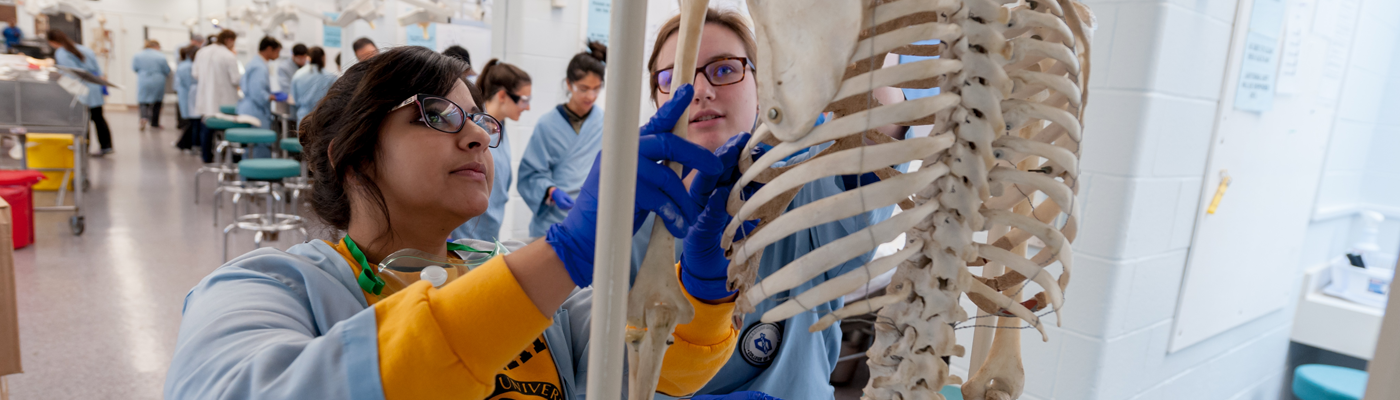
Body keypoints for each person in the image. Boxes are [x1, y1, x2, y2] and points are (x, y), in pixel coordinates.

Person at [163, 46, 778, 400]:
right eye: (437, 115)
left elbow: (648, 370)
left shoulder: (528, 289)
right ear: (348, 155)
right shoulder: (263, 288)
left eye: (482, 123)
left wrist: (702, 288)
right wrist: (561, 253)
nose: (478, 140)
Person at [633, 9, 907, 399]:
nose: (699, 91)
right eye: (673, 78)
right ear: (655, 98)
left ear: (763, 89)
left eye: (725, 70)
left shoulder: (804, 188)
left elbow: (879, 126)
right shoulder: (629, 217)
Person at [518, 41, 607, 239]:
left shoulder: (607, 124)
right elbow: (530, 175)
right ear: (569, 84)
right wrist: (551, 190)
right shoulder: (547, 124)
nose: (590, 96)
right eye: (583, 88)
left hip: (590, 221)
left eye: (596, 88)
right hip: (552, 223)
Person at [450, 59, 530, 242]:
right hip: (465, 231)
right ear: (502, 96)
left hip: (489, 228)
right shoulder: (473, 128)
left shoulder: (500, 127)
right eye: (524, 100)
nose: (528, 107)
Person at [47, 29, 114, 156]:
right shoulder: (85, 49)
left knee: (83, 120)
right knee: (98, 118)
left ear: (52, 42)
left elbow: (71, 73)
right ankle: (106, 146)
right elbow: (98, 71)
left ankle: (83, 148)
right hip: (94, 86)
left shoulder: (61, 52)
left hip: (80, 88)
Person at [193, 29, 241, 163]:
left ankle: (207, 157)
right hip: (225, 100)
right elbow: (235, 79)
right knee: (226, 130)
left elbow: (195, 74)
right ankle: (230, 158)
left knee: (207, 127)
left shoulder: (202, 52)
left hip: (205, 98)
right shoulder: (228, 55)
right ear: (229, 40)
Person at [236, 36, 281, 137]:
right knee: (259, 147)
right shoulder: (259, 67)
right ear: (269, 49)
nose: (278, 55)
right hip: (255, 112)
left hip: (251, 109)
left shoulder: (256, 63)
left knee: (252, 147)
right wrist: (272, 97)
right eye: (277, 51)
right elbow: (258, 93)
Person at [289, 46, 336, 124]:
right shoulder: (331, 77)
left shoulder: (298, 74)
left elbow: (294, 99)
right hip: (323, 119)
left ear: (308, 58)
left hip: (303, 118)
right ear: (323, 58)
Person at [132, 40, 171, 130]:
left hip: (143, 78)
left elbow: (134, 68)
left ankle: (143, 117)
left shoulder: (138, 55)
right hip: (158, 79)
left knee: (143, 100)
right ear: (157, 46)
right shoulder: (160, 56)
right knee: (157, 102)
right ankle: (154, 123)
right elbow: (167, 70)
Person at [174, 46, 201, 152]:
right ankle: (185, 144)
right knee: (192, 121)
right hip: (189, 94)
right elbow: (189, 83)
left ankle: (183, 144)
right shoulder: (188, 66)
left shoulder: (184, 64)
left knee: (191, 121)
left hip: (188, 94)